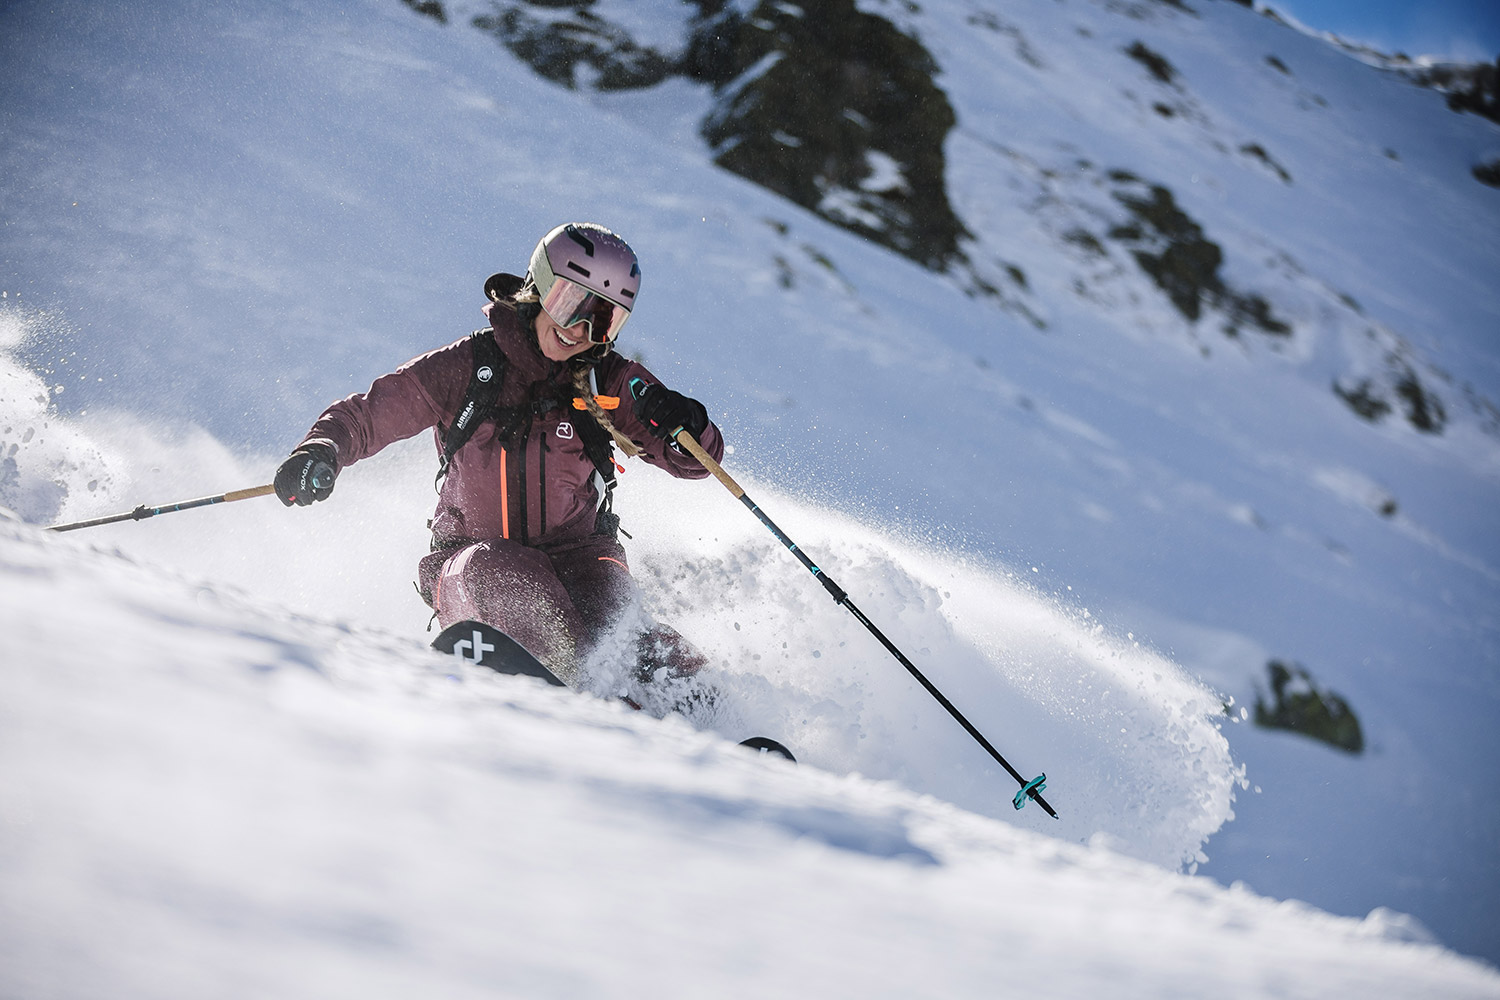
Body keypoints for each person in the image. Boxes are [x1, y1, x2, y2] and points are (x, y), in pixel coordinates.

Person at [273, 222, 723, 695]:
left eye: (604, 321)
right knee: (506, 572)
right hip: (473, 564)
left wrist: (683, 423)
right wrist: (322, 448)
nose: (581, 332)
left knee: (633, 636)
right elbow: (368, 414)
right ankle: (581, 692)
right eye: (572, 305)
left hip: (581, 562)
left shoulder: (606, 382)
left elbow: (696, 461)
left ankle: (712, 724)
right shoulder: (468, 367)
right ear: (539, 289)